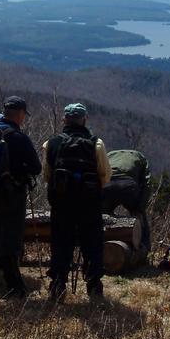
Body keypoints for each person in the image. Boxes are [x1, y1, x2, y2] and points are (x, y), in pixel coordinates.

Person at [42, 102, 111, 302]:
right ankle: (94, 287)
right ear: (84, 120)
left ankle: (58, 284)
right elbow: (105, 176)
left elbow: (47, 176)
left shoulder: (51, 143)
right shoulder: (96, 144)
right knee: (92, 244)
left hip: (61, 204)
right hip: (89, 204)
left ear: (65, 120)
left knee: (61, 242)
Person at [0, 96, 41, 298]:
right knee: (11, 238)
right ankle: (14, 285)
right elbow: (36, 167)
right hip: (12, 193)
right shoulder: (17, 137)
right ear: (20, 114)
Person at [102, 149, 152, 253]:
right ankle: (143, 250)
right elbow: (147, 183)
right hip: (129, 186)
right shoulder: (140, 157)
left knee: (103, 218)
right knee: (139, 216)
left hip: (107, 186)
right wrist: (140, 208)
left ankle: (100, 251)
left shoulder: (110, 154)